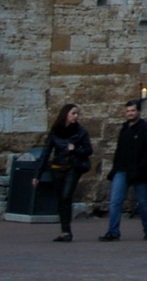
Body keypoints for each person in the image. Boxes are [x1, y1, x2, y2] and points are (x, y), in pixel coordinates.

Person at [35, 103, 92, 242]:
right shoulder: (56, 132)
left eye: (77, 114)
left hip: (72, 167)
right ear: (66, 114)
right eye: (73, 113)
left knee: (66, 196)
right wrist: (38, 174)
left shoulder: (80, 131)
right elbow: (46, 153)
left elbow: (88, 150)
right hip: (57, 168)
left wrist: (75, 150)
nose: (75, 116)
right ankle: (64, 231)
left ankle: (67, 231)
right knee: (61, 199)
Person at [101, 100, 147, 242]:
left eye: (132, 110)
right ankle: (113, 231)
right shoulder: (124, 128)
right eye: (128, 111)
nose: (130, 113)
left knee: (143, 202)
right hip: (122, 168)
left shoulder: (146, 129)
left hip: (139, 170)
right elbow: (120, 150)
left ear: (138, 111)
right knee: (115, 201)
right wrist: (115, 167)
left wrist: (142, 167)